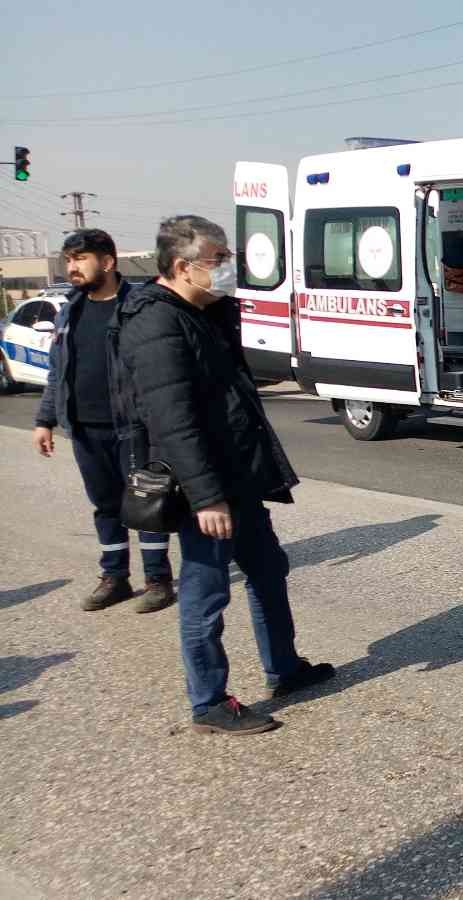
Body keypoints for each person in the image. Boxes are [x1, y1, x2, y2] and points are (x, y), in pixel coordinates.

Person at [114, 216, 334, 735]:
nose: (228, 268)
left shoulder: (208, 312)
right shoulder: (155, 323)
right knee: (206, 590)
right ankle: (208, 701)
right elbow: (173, 421)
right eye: (218, 259)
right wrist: (207, 496)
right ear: (182, 266)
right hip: (204, 489)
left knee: (268, 571)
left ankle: (285, 667)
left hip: (238, 479)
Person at [31, 229, 175, 613]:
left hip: (133, 426)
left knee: (145, 500)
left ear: (107, 262)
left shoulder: (137, 305)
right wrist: (45, 419)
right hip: (84, 427)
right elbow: (56, 371)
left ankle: (158, 579)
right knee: (105, 504)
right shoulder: (70, 309)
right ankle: (115, 577)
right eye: (69, 260)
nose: (72, 267)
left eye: (80, 259)